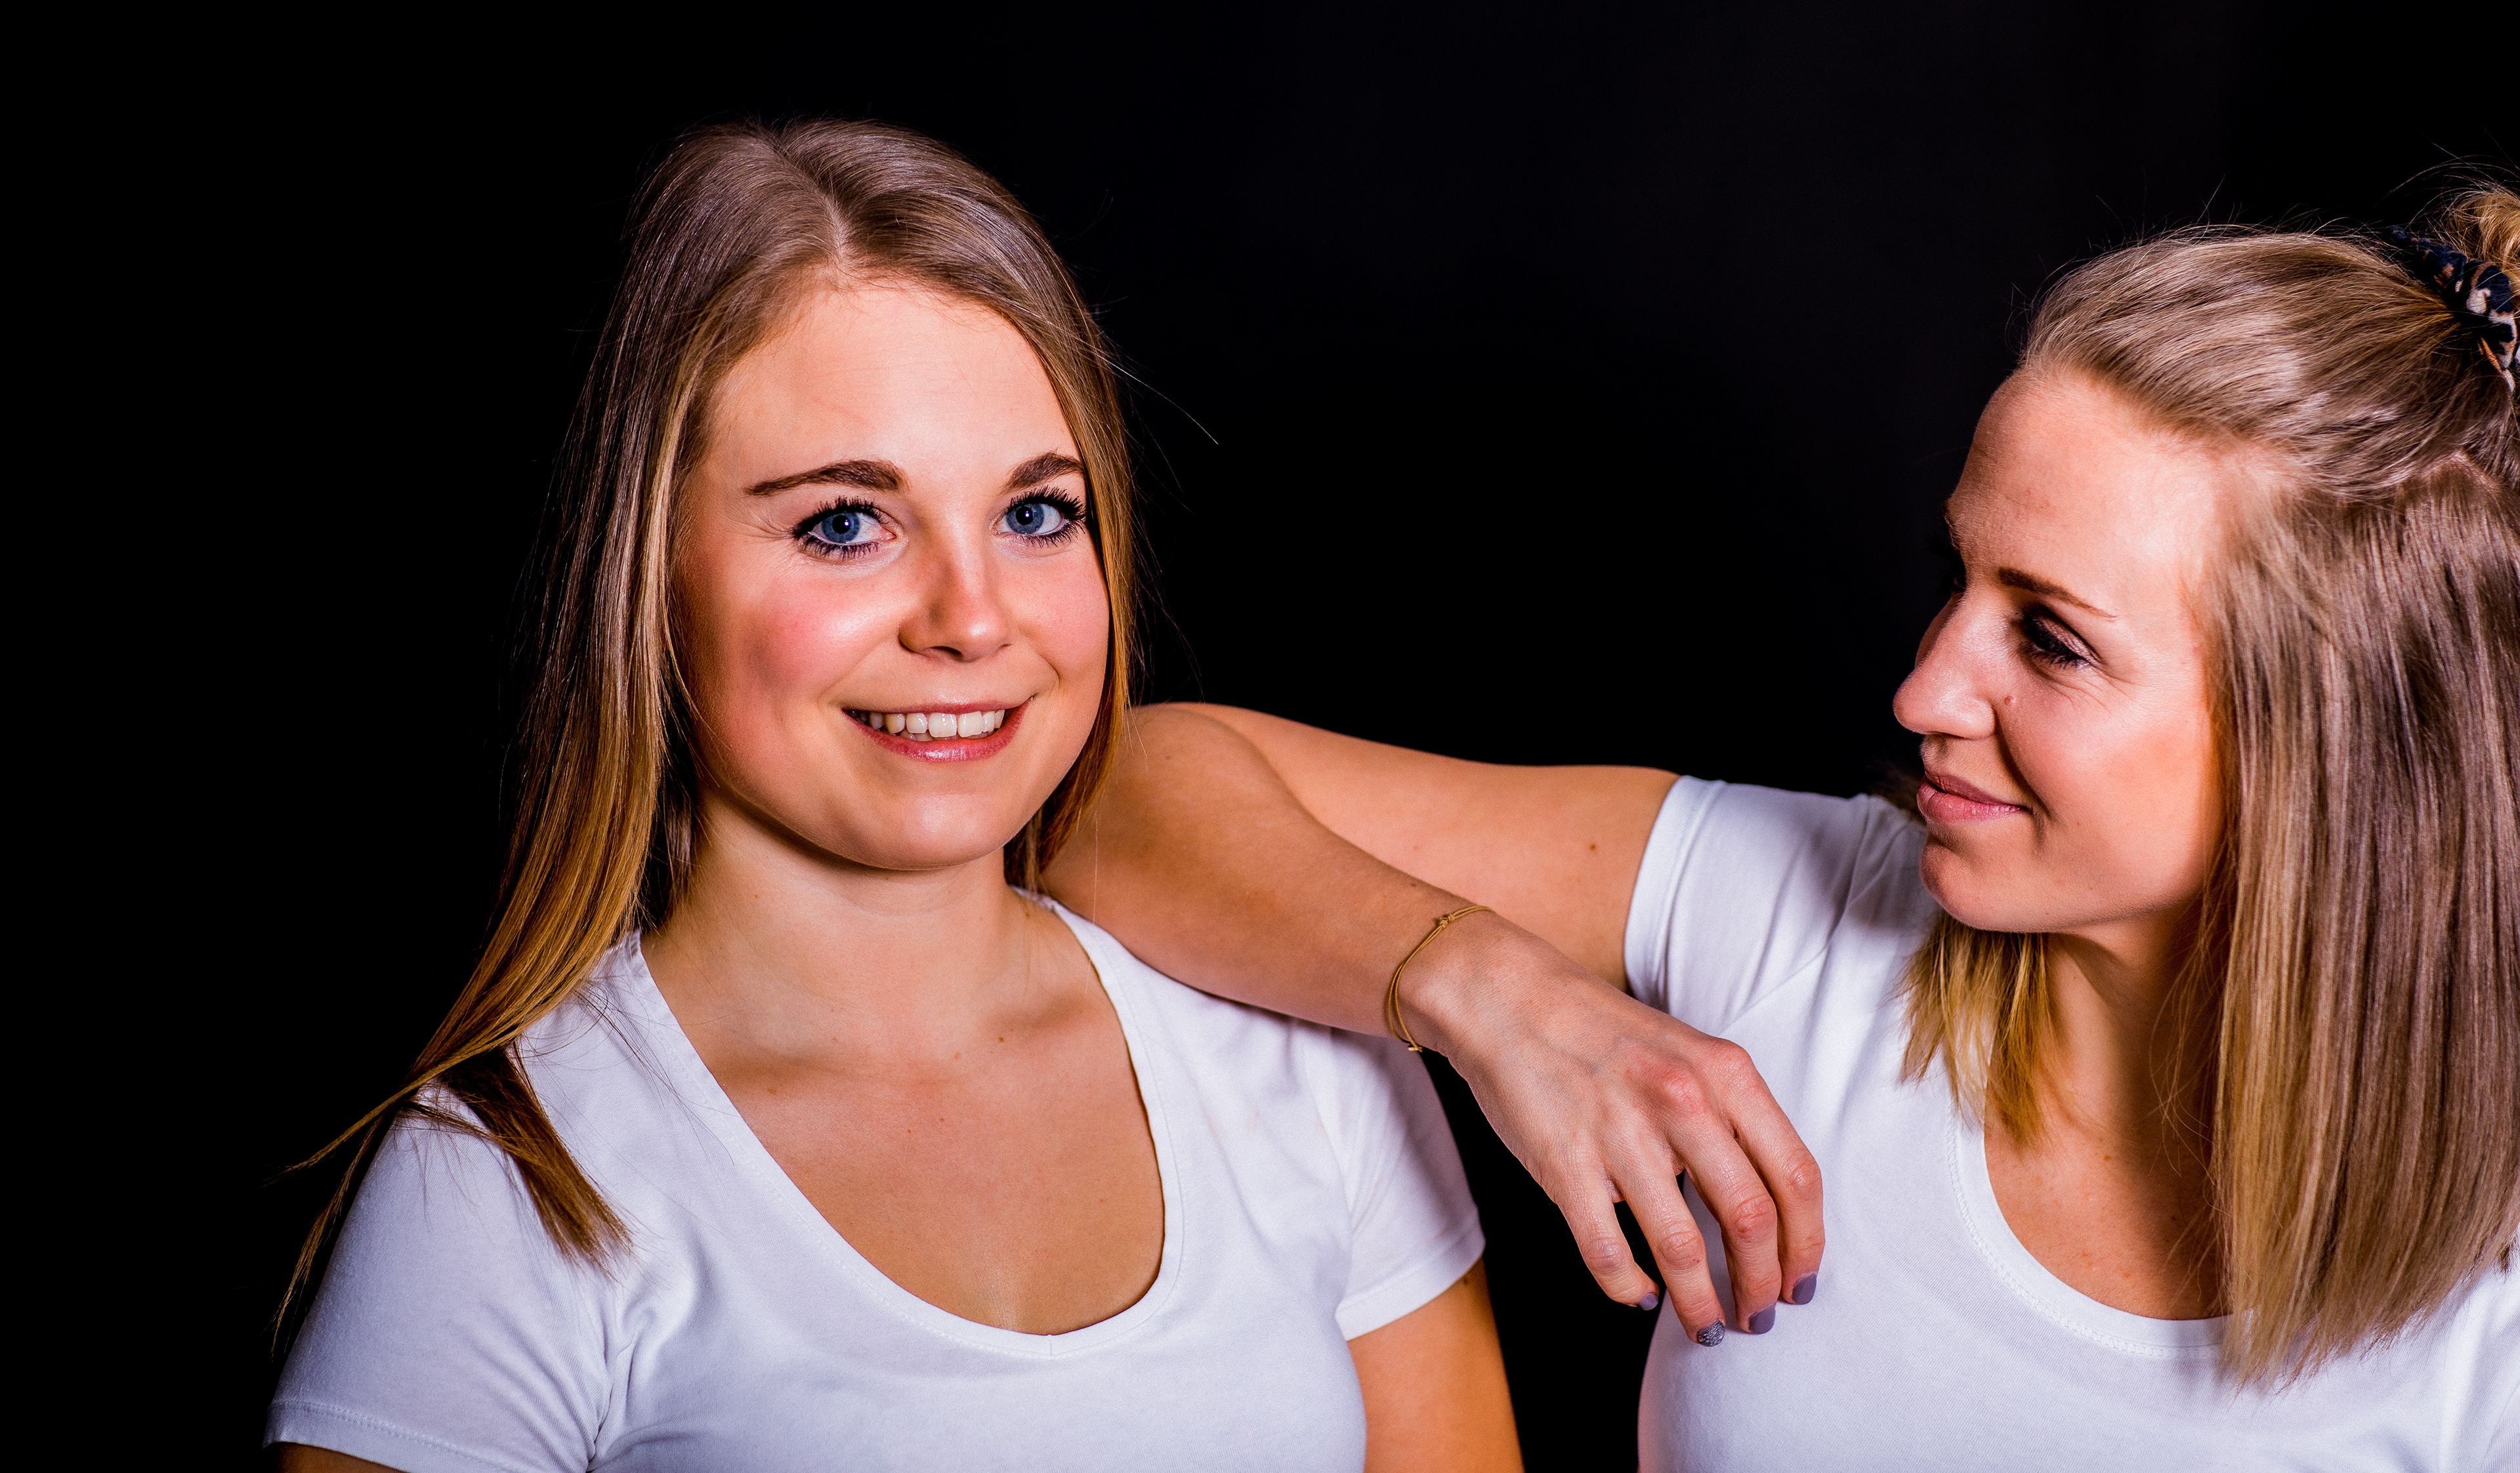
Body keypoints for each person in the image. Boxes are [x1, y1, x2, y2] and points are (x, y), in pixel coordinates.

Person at [1044, 193, 2520, 1467]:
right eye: (1958, 578)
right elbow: (1112, 792)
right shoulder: (1799, 922)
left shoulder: (2490, 1335)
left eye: (2052, 639)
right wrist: (1493, 990)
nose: (1924, 690)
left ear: (2334, 741)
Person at [268, 120, 1519, 1473]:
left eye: (1035, 513)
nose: (972, 619)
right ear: (648, 572)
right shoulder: (508, 1178)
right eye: (844, 523)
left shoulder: (1308, 1062)